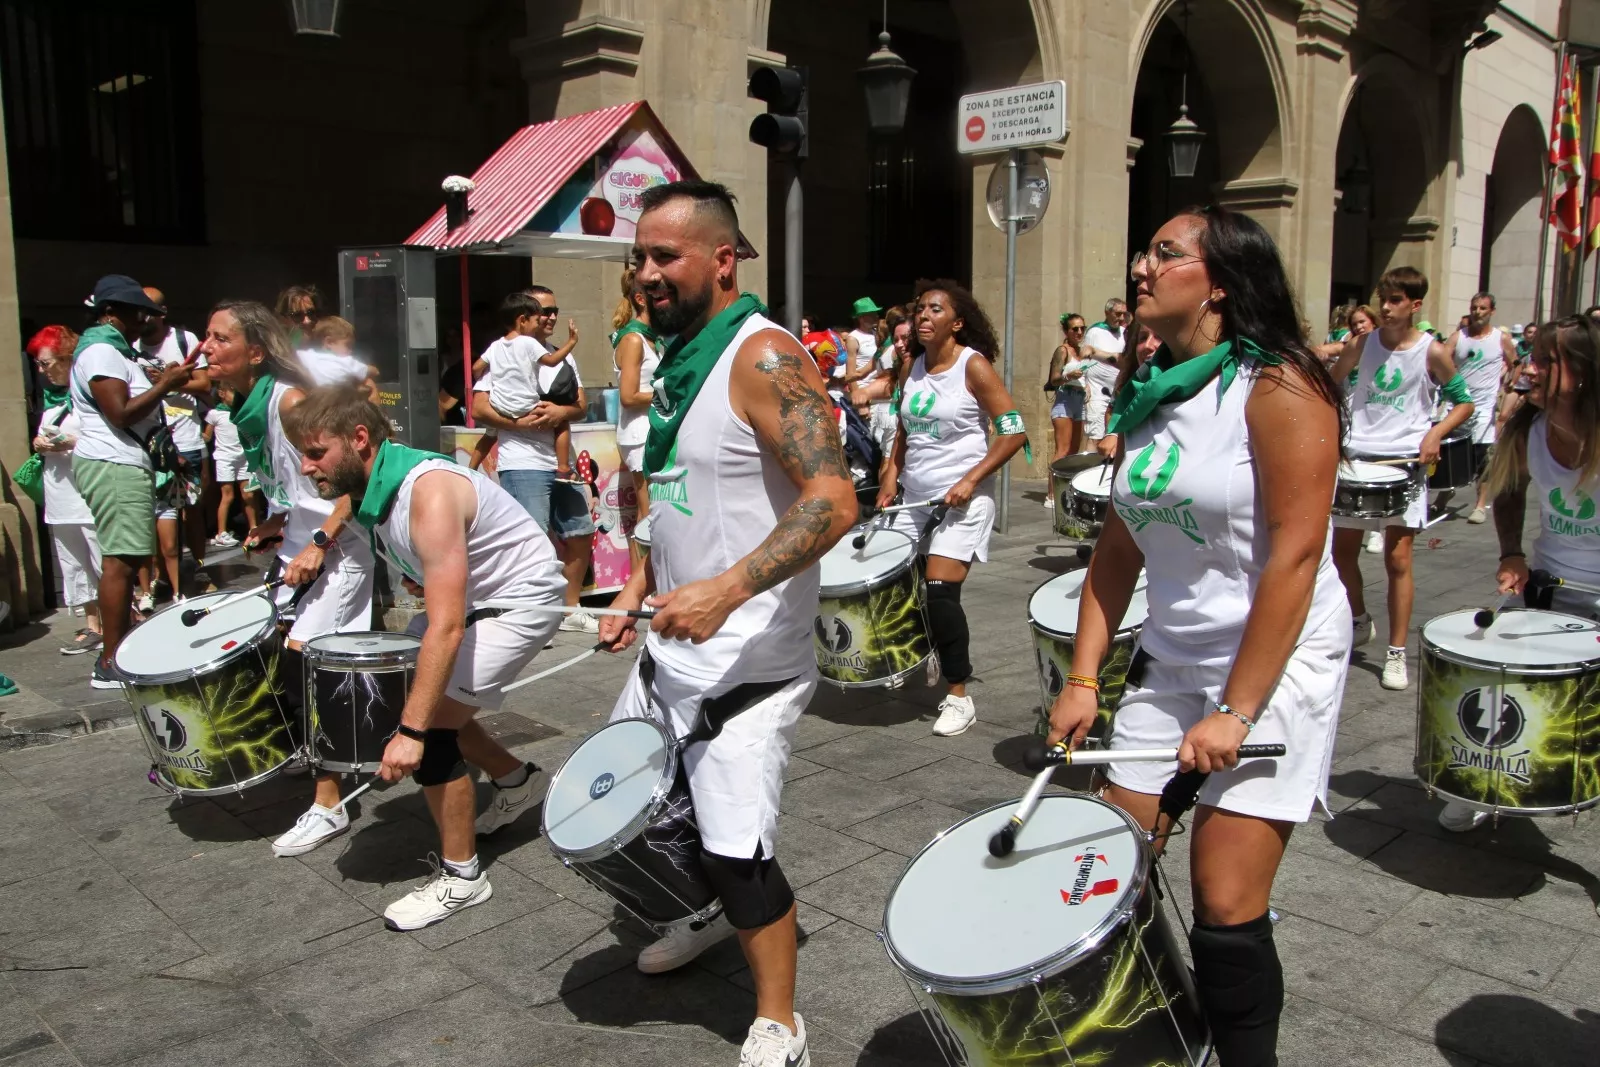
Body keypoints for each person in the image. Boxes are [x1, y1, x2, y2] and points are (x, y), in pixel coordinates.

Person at [1048, 205, 1353, 1067]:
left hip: (1277, 658)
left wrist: (1238, 710)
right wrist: (1082, 679)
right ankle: (1162, 1037)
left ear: (1219, 281)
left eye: (1166, 253)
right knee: (1112, 863)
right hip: (1173, 655)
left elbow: (1297, 556)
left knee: (1223, 898)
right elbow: (1117, 549)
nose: (1141, 266)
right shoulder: (1153, 389)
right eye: (1145, 251)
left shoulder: (1280, 385)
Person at [597, 180, 857, 1067]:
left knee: (738, 851)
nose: (645, 272)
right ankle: (702, 914)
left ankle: (780, 1020)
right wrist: (638, 586)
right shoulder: (676, 360)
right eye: (639, 255)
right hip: (670, 651)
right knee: (637, 810)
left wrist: (725, 589)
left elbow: (834, 498)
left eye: (665, 255)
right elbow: (670, 495)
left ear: (723, 259)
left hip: (748, 663)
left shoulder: (763, 356)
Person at [284, 384, 566, 928]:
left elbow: (447, 627)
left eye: (316, 453)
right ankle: (515, 780)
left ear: (359, 438)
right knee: (428, 702)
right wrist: (318, 542)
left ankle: (463, 879)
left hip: (518, 603)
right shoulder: (372, 477)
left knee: (430, 728)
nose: (305, 466)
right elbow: (347, 500)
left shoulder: (429, 493)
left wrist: (410, 734)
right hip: (479, 599)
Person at [201, 300, 377, 856]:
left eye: (219, 338)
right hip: (304, 545)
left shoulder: (289, 401)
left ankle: (330, 804)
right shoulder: (250, 407)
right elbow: (298, 489)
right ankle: (359, 745)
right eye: (207, 336)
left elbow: (352, 484)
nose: (206, 347)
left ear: (255, 352)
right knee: (291, 661)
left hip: (339, 548)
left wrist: (318, 543)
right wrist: (280, 524)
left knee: (311, 666)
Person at [1434, 315, 1600, 832]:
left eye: (1546, 361)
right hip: (1549, 584)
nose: (1529, 368)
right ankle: (1483, 779)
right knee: (1505, 679)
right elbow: (1509, 488)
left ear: (1583, 370)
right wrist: (1511, 554)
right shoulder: (1530, 427)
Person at [877, 279, 1028, 736]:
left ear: (957, 323)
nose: (924, 316)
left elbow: (1013, 431)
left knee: (940, 590)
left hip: (962, 499)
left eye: (935, 310)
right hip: (915, 497)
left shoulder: (972, 366)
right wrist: (889, 478)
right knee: (899, 584)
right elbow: (903, 432)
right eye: (920, 308)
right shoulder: (911, 366)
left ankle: (959, 695)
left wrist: (971, 479)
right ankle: (924, 651)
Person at [1328, 268, 1475, 691]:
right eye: (1383, 299)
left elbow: (1464, 403)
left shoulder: (1433, 351)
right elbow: (1331, 384)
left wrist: (1435, 433)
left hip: (1406, 463)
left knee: (1398, 560)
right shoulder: (1362, 343)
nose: (1386, 307)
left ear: (1415, 304)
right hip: (1359, 458)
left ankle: (1396, 652)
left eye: (1395, 300)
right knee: (1341, 555)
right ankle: (1359, 619)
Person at [69, 275, 199, 689]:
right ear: (109, 313)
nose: (144, 318)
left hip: (122, 463)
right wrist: (166, 385)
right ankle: (111, 662)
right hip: (114, 464)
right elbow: (120, 413)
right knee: (121, 563)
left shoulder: (116, 352)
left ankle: (116, 653)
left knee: (125, 560)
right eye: (136, 311)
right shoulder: (102, 351)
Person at [471, 286, 598, 633]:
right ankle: (527, 619)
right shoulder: (502, 352)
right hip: (522, 462)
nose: (551, 317)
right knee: (531, 541)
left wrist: (560, 412)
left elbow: (580, 406)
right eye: (544, 311)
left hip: (560, 462)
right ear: (524, 317)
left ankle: (568, 610)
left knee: (580, 533)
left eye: (555, 310)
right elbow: (478, 408)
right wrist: (520, 423)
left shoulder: (559, 356)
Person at [29, 326, 103, 656]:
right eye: (38, 364)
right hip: (59, 494)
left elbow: (104, 436)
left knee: (101, 557)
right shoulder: (53, 399)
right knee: (72, 561)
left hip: (86, 491)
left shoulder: (87, 394)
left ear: (65, 358)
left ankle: (120, 619)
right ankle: (93, 624)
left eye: (45, 363)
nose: (41, 370)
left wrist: (70, 442)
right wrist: (39, 443)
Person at [136, 287, 211, 605]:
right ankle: (161, 577)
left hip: (186, 439)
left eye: (147, 310)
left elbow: (205, 383)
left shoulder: (183, 340)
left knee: (191, 510)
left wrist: (167, 382)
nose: (141, 317)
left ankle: (199, 568)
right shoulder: (130, 345)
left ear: (162, 312)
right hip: (151, 443)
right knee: (153, 515)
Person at [466, 293, 574, 477]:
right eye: (536, 320)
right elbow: (551, 361)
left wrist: (482, 376)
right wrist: (571, 342)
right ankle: (563, 467)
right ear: (522, 320)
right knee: (561, 422)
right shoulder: (528, 342)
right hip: (525, 406)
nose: (538, 325)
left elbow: (476, 368)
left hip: (500, 406)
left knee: (490, 434)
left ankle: (470, 470)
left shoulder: (496, 345)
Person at [1451, 293, 1518, 524]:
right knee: (1452, 454)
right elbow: (1440, 359)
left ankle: (1480, 505)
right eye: (1474, 308)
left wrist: (1510, 382)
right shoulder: (1458, 337)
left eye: (1482, 308)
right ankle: (1445, 493)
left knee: (1482, 459)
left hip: (1484, 407)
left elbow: (1516, 362)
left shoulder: (1501, 338)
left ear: (1492, 311)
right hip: (1457, 405)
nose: (1477, 312)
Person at [611, 265, 659, 569]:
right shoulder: (632, 340)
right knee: (648, 514)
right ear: (641, 299)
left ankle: (647, 582)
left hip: (651, 429)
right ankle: (641, 586)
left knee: (655, 512)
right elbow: (628, 397)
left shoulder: (650, 338)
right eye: (659, 294)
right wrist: (668, 395)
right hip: (639, 433)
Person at [206, 385, 257, 547]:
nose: (237, 395)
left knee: (248, 494)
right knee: (228, 496)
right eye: (233, 392)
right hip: (225, 459)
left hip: (243, 457)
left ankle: (254, 529)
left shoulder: (241, 412)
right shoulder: (214, 414)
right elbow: (207, 436)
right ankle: (221, 533)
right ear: (221, 393)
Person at [1081, 298, 1130, 446]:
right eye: (1118, 314)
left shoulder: (1124, 333)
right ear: (1107, 313)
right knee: (1095, 435)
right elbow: (1084, 358)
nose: (1121, 318)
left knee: (1113, 434)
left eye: (1124, 314)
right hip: (1096, 391)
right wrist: (1084, 384)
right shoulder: (1095, 331)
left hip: (1116, 393)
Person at [1046, 314, 1089, 470]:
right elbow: (1054, 379)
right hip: (1065, 400)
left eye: (1082, 328)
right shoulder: (1062, 351)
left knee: (1074, 453)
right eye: (1075, 329)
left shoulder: (1082, 351)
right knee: (1062, 451)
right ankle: (1052, 486)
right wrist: (1069, 376)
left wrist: (1087, 387)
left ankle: (1066, 484)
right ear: (1066, 331)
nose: (1079, 332)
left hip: (1080, 401)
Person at [303, 316, 381, 401]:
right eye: (348, 345)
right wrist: (372, 369)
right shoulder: (344, 362)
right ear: (329, 342)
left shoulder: (307, 356)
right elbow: (375, 372)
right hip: (340, 403)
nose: (351, 351)